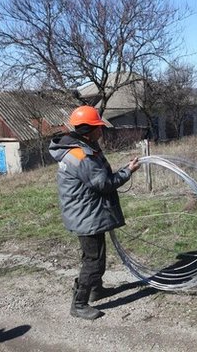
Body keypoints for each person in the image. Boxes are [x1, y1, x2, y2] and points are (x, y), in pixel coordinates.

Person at [49, 105, 140, 320]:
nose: (102, 130)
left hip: (84, 211)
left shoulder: (80, 147)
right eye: (98, 126)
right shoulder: (82, 156)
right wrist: (128, 171)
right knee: (94, 261)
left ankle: (95, 290)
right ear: (89, 129)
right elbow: (104, 184)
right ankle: (79, 303)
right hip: (85, 215)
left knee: (94, 255)